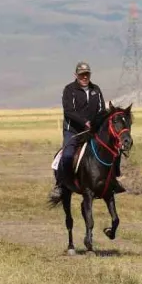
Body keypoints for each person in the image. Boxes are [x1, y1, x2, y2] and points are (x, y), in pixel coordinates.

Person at [49, 61, 110, 202]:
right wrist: (85, 122)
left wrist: (99, 124)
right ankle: (61, 185)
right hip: (74, 131)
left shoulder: (96, 89)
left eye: (87, 74)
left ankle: (112, 182)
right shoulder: (69, 90)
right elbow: (69, 111)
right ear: (76, 75)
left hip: (92, 131)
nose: (84, 77)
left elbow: (101, 110)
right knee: (67, 155)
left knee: (111, 151)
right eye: (82, 74)